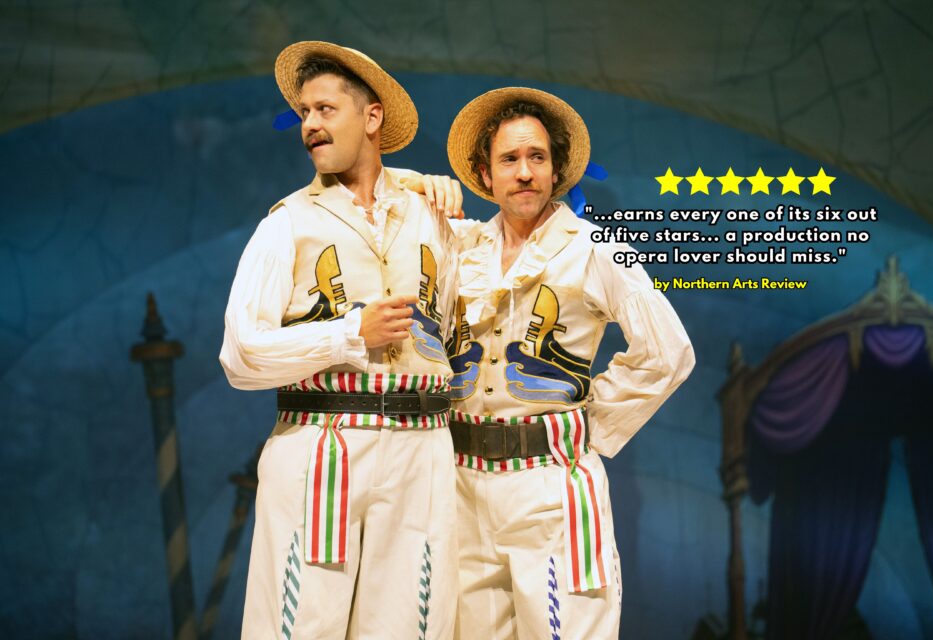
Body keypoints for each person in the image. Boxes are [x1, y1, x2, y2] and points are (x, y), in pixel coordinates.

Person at [219, 41, 462, 639]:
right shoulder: (287, 223)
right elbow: (241, 353)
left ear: (371, 117)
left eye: (325, 109)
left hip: (421, 451)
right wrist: (347, 335)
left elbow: (475, 311)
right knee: (302, 624)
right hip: (323, 446)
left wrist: (415, 184)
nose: (309, 125)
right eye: (304, 112)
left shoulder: (433, 217)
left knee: (411, 625)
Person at [440, 87, 696, 639]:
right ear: (485, 174)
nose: (524, 172)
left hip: (549, 486)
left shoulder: (595, 247)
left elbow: (668, 351)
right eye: (509, 159)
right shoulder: (461, 249)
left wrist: (590, 423)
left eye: (537, 157)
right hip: (462, 486)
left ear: (556, 171)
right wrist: (419, 185)